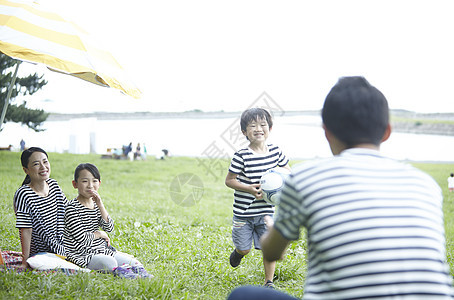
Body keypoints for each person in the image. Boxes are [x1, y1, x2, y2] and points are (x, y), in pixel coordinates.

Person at [227, 76, 454, 299]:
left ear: (327, 132)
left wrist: (271, 224)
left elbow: (273, 251)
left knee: (242, 295)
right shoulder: (426, 184)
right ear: (387, 131)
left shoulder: (306, 178)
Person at [225, 107, 290, 289]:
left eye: (263, 124)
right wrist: (249, 189)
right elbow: (229, 180)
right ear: (244, 132)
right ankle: (239, 253)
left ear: (269, 128)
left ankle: (268, 282)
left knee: (268, 250)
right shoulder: (241, 156)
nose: (258, 129)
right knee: (244, 248)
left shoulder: (276, 152)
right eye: (252, 126)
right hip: (244, 213)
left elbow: (287, 172)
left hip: (266, 212)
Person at [63, 163, 152, 278]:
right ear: (75, 184)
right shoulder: (72, 208)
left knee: (134, 262)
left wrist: (100, 204)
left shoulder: (95, 205)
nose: (90, 185)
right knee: (109, 262)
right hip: (82, 253)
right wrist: (100, 234)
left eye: (94, 181)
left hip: (101, 250)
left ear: (99, 184)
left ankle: (135, 273)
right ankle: (123, 272)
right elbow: (82, 239)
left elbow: (109, 227)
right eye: (85, 181)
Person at [13, 147, 68, 269]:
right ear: (26, 170)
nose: (43, 167)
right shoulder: (24, 194)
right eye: (36, 164)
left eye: (45, 161)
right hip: (43, 255)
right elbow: (25, 230)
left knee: (105, 254)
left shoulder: (54, 186)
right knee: (105, 263)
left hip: (67, 247)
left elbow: (70, 214)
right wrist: (25, 261)